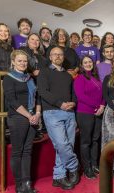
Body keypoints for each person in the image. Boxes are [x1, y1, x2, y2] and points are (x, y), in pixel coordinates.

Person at [37, 47, 79, 190]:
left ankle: (58, 176)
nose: (58, 56)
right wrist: (60, 104)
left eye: (60, 54)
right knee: (62, 145)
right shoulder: (44, 72)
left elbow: (73, 92)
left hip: (69, 112)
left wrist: (73, 102)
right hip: (52, 113)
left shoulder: (68, 75)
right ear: (50, 57)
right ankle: (74, 167)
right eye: (54, 54)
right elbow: (43, 92)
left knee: (68, 145)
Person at [3, 50, 40, 193]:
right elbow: (12, 101)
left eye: (25, 61)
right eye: (20, 61)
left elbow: (38, 98)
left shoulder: (30, 78)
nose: (23, 63)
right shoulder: (9, 78)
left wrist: (37, 113)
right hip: (18, 117)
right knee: (17, 152)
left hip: (32, 116)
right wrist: (29, 116)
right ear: (13, 62)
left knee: (27, 151)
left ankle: (27, 183)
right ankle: (19, 186)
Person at [74, 55, 105, 179]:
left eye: (90, 62)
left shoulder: (96, 78)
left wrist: (102, 105)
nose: (88, 64)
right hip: (85, 113)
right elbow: (81, 97)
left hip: (98, 112)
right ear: (81, 65)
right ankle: (87, 168)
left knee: (95, 139)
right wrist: (97, 106)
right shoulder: (79, 78)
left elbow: (103, 95)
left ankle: (94, 165)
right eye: (85, 62)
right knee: (86, 141)